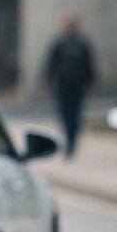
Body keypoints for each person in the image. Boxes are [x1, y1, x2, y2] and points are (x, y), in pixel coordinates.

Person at [42, 12, 95, 158]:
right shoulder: (59, 44)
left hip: (77, 84)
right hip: (62, 84)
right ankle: (66, 140)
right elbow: (51, 64)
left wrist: (91, 82)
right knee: (63, 115)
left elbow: (89, 65)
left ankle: (72, 143)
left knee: (75, 115)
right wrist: (47, 82)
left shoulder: (82, 44)